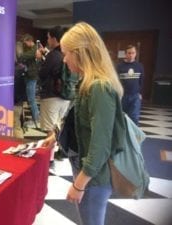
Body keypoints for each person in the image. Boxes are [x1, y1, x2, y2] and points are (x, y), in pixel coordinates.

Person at [43, 22, 125, 225]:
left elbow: (100, 145)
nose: (64, 59)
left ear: (80, 53)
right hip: (86, 170)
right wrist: (55, 137)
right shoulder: (87, 82)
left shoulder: (98, 88)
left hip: (93, 177)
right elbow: (77, 121)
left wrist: (79, 185)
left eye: (66, 53)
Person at [38, 26, 71, 169]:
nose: (47, 40)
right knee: (59, 125)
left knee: (50, 129)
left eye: (48, 37)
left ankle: (49, 158)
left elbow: (42, 74)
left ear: (54, 39)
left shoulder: (52, 55)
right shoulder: (65, 54)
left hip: (51, 97)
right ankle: (61, 152)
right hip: (66, 96)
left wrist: (40, 59)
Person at [117, 45, 144, 124]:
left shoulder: (139, 66)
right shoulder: (119, 66)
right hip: (123, 96)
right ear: (125, 54)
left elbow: (141, 81)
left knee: (134, 117)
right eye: (129, 53)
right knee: (121, 116)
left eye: (133, 53)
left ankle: (134, 135)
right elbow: (116, 81)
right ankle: (122, 135)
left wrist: (140, 93)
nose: (131, 55)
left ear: (136, 54)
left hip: (135, 96)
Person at [20, 34, 41, 127]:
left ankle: (37, 120)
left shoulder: (34, 50)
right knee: (30, 99)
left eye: (25, 43)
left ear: (30, 41)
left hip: (31, 78)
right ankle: (35, 119)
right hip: (30, 77)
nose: (24, 45)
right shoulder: (33, 50)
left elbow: (22, 56)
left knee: (31, 99)